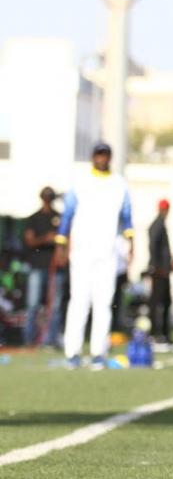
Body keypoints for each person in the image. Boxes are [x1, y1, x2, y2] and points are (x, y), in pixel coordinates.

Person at [55, 143, 134, 370]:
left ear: (110, 157)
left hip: (107, 250)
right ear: (93, 157)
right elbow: (67, 214)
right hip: (82, 250)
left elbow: (127, 216)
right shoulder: (80, 181)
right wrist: (61, 244)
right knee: (79, 300)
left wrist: (131, 244)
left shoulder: (119, 184)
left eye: (106, 155)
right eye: (99, 155)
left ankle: (99, 352)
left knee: (104, 302)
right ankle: (73, 352)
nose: (102, 159)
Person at [22, 187, 63, 347]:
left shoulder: (58, 217)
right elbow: (30, 241)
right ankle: (29, 339)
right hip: (37, 266)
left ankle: (51, 340)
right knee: (33, 304)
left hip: (55, 268)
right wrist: (46, 239)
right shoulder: (34, 218)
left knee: (55, 305)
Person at [148, 199, 173, 351]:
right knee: (157, 303)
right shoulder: (157, 225)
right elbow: (153, 246)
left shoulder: (160, 224)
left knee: (165, 302)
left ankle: (164, 335)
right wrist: (157, 266)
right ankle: (155, 335)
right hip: (159, 271)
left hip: (163, 270)